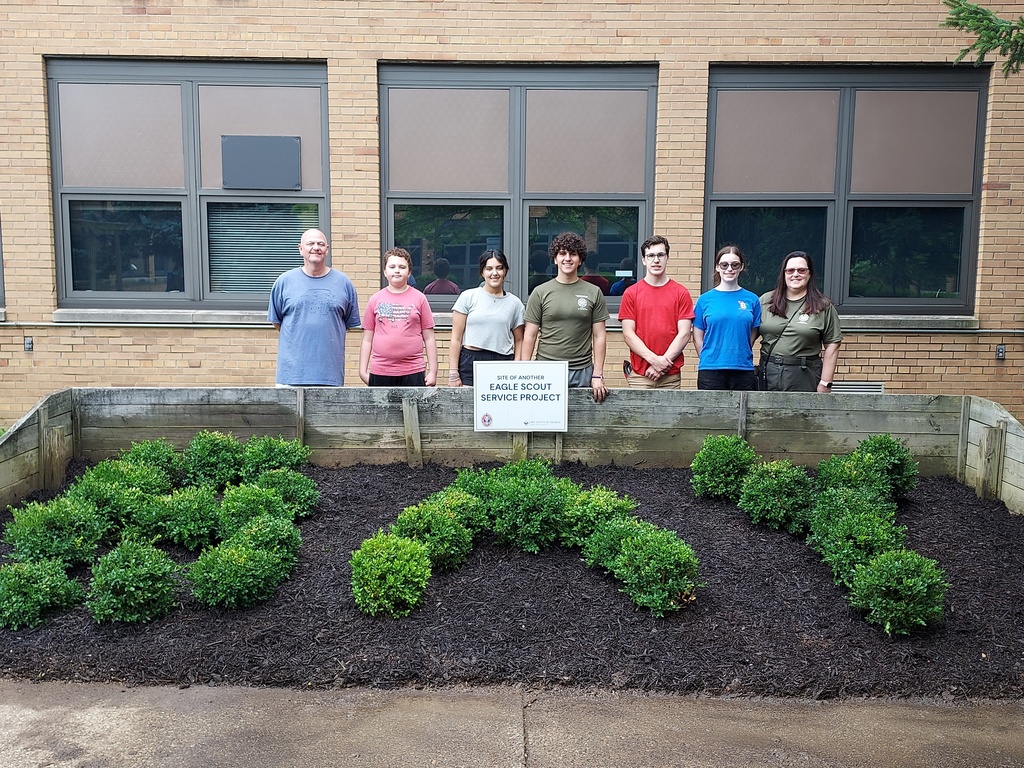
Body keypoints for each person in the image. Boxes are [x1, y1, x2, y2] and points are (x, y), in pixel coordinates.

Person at [523, 232, 610, 402]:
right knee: (543, 425)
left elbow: (599, 335)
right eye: (562, 253)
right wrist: (525, 372)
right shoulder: (540, 292)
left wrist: (597, 374)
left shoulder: (593, 292)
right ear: (555, 259)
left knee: (581, 426)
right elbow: (530, 335)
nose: (567, 258)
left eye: (573, 254)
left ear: (581, 260)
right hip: (545, 370)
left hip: (582, 371)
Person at [267, 228, 361, 387]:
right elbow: (277, 323)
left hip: (330, 377)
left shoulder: (344, 283)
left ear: (327, 250)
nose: (316, 247)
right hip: (291, 377)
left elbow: (348, 324)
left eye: (320, 244)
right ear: (300, 249)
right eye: (310, 243)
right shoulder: (284, 282)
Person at [757, 250, 842, 392]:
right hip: (768, 371)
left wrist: (826, 382)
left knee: (803, 414)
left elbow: (832, 345)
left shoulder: (823, 306)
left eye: (801, 270)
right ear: (784, 274)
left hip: (804, 374)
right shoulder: (765, 301)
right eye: (790, 270)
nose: (795, 274)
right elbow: (748, 337)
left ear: (809, 274)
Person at [618, 236, 694, 389]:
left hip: (670, 376)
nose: (656, 260)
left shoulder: (681, 293)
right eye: (651, 256)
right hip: (641, 375)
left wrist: (662, 364)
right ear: (643, 260)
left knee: (671, 414)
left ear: (667, 258)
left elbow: (684, 333)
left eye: (660, 255)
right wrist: (655, 361)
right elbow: (628, 334)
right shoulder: (631, 293)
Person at [359, 247, 438, 387]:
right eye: (392, 266)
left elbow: (429, 337)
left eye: (402, 267)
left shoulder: (420, 299)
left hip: (413, 369)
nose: (397, 270)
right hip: (381, 370)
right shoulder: (375, 299)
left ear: (409, 272)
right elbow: (367, 339)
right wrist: (362, 371)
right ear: (385, 271)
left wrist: (433, 371)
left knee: (412, 409)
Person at [447, 249, 526, 387]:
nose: (494, 273)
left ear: (505, 271)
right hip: (470, 361)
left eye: (499, 268)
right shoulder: (468, 297)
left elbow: (519, 340)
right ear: (482, 272)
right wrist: (453, 373)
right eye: (489, 269)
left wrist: (517, 368)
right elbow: (456, 338)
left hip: (503, 362)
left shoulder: (515, 303)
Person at [692, 245, 761, 391]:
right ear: (717, 267)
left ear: (741, 267)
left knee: (744, 413)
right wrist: (710, 358)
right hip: (711, 370)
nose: (729, 269)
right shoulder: (705, 300)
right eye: (724, 264)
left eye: (734, 264)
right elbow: (698, 338)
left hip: (743, 368)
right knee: (711, 413)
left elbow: (752, 335)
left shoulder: (752, 300)